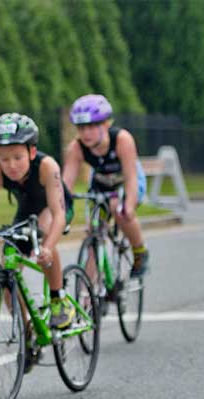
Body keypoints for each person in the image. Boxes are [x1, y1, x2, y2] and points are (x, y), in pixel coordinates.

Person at [0, 113, 75, 333]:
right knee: (7, 260)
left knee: (43, 232)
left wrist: (46, 247)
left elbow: (59, 214)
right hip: (27, 211)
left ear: (32, 152)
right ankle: (25, 329)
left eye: (18, 157)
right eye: (4, 158)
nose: (11, 165)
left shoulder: (48, 167)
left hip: (56, 207)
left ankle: (58, 298)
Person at [62, 94, 149, 277]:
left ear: (106, 124)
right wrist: (63, 209)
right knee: (93, 232)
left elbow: (131, 177)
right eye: (81, 128)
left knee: (119, 209)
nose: (86, 133)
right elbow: (65, 186)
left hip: (127, 180)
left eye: (92, 126)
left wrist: (129, 205)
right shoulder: (76, 148)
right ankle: (88, 294)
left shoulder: (122, 140)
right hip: (100, 184)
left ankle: (139, 251)